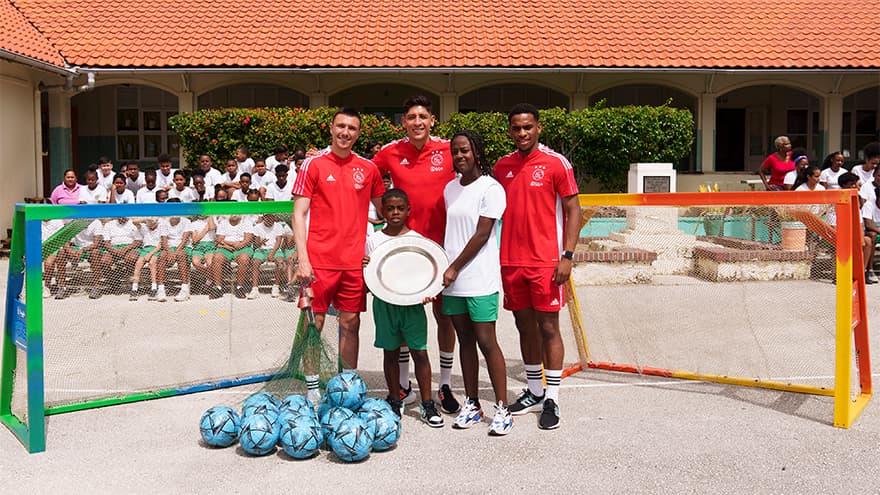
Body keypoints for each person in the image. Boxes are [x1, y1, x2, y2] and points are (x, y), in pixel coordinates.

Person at [371, 95, 460, 414]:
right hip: (405, 251)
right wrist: (378, 214)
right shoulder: (391, 152)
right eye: (411, 117)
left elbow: (473, 176)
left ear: (432, 120)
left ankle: (445, 384)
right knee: (405, 315)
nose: (417, 122)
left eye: (423, 116)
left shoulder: (449, 149)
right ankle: (404, 386)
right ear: (403, 122)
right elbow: (366, 177)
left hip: (443, 249)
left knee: (444, 317)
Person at [494, 103, 580, 430]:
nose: (522, 133)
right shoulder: (502, 167)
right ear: (510, 131)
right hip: (512, 262)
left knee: (549, 327)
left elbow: (575, 211)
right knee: (524, 326)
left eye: (527, 127)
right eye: (516, 128)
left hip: (547, 262)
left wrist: (567, 256)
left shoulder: (556, 163)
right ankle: (533, 389)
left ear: (538, 128)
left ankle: (553, 397)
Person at [292, 107, 385, 401]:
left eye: (352, 128)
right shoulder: (313, 164)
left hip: (354, 262)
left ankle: (348, 387)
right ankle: (311, 391)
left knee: (350, 324)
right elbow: (298, 214)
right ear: (331, 128)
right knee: (313, 324)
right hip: (318, 260)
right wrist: (303, 259)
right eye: (341, 126)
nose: (346, 132)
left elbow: (386, 212)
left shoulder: (368, 168)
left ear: (359, 134)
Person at [442, 130, 512, 435]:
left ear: (477, 152)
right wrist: (447, 269)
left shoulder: (491, 188)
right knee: (465, 341)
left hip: (478, 278)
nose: (459, 156)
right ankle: (472, 404)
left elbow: (482, 234)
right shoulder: (449, 189)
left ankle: (502, 408)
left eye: (465, 150)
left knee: (486, 341)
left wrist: (455, 268)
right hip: (452, 279)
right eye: (455, 151)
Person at [363, 188, 443, 427]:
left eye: (400, 208)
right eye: (390, 208)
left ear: (408, 210)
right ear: (382, 211)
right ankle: (395, 399)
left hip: (412, 306)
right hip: (385, 305)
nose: (395, 212)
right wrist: (364, 268)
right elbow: (370, 282)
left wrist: (429, 292)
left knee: (420, 352)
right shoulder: (374, 241)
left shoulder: (418, 241)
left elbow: (428, 275)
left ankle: (427, 403)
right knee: (390, 352)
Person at [209, 214, 254, 299]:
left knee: (244, 259)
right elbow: (219, 239)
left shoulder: (246, 222)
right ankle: (218, 288)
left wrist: (237, 245)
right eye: (232, 212)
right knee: (217, 258)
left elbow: (247, 240)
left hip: (242, 247)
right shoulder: (223, 222)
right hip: (226, 247)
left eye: (236, 212)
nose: (234, 214)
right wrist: (232, 245)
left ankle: (239, 287)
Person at [250, 214, 289, 299]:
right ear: (264, 218)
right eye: (267, 217)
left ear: (274, 217)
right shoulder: (257, 227)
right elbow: (256, 245)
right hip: (261, 250)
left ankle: (276, 286)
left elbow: (278, 242)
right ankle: (255, 289)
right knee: (255, 263)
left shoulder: (278, 226)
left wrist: (272, 253)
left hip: (275, 249)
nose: (269, 219)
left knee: (280, 262)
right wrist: (260, 242)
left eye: (271, 217)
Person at [157, 212, 192, 302]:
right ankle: (161, 289)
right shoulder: (164, 222)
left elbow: (184, 240)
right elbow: (164, 241)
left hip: (183, 247)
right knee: (161, 256)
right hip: (169, 247)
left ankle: (184, 289)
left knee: (181, 255)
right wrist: (169, 252)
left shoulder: (186, 221)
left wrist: (175, 253)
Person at [129, 218, 165, 301]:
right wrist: (147, 219)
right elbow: (134, 221)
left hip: (156, 249)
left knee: (152, 264)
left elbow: (161, 245)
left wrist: (150, 254)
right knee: (138, 264)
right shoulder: (144, 227)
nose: (150, 224)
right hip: (145, 249)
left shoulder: (161, 227)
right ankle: (134, 289)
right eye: (149, 222)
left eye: (152, 222)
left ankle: (154, 288)